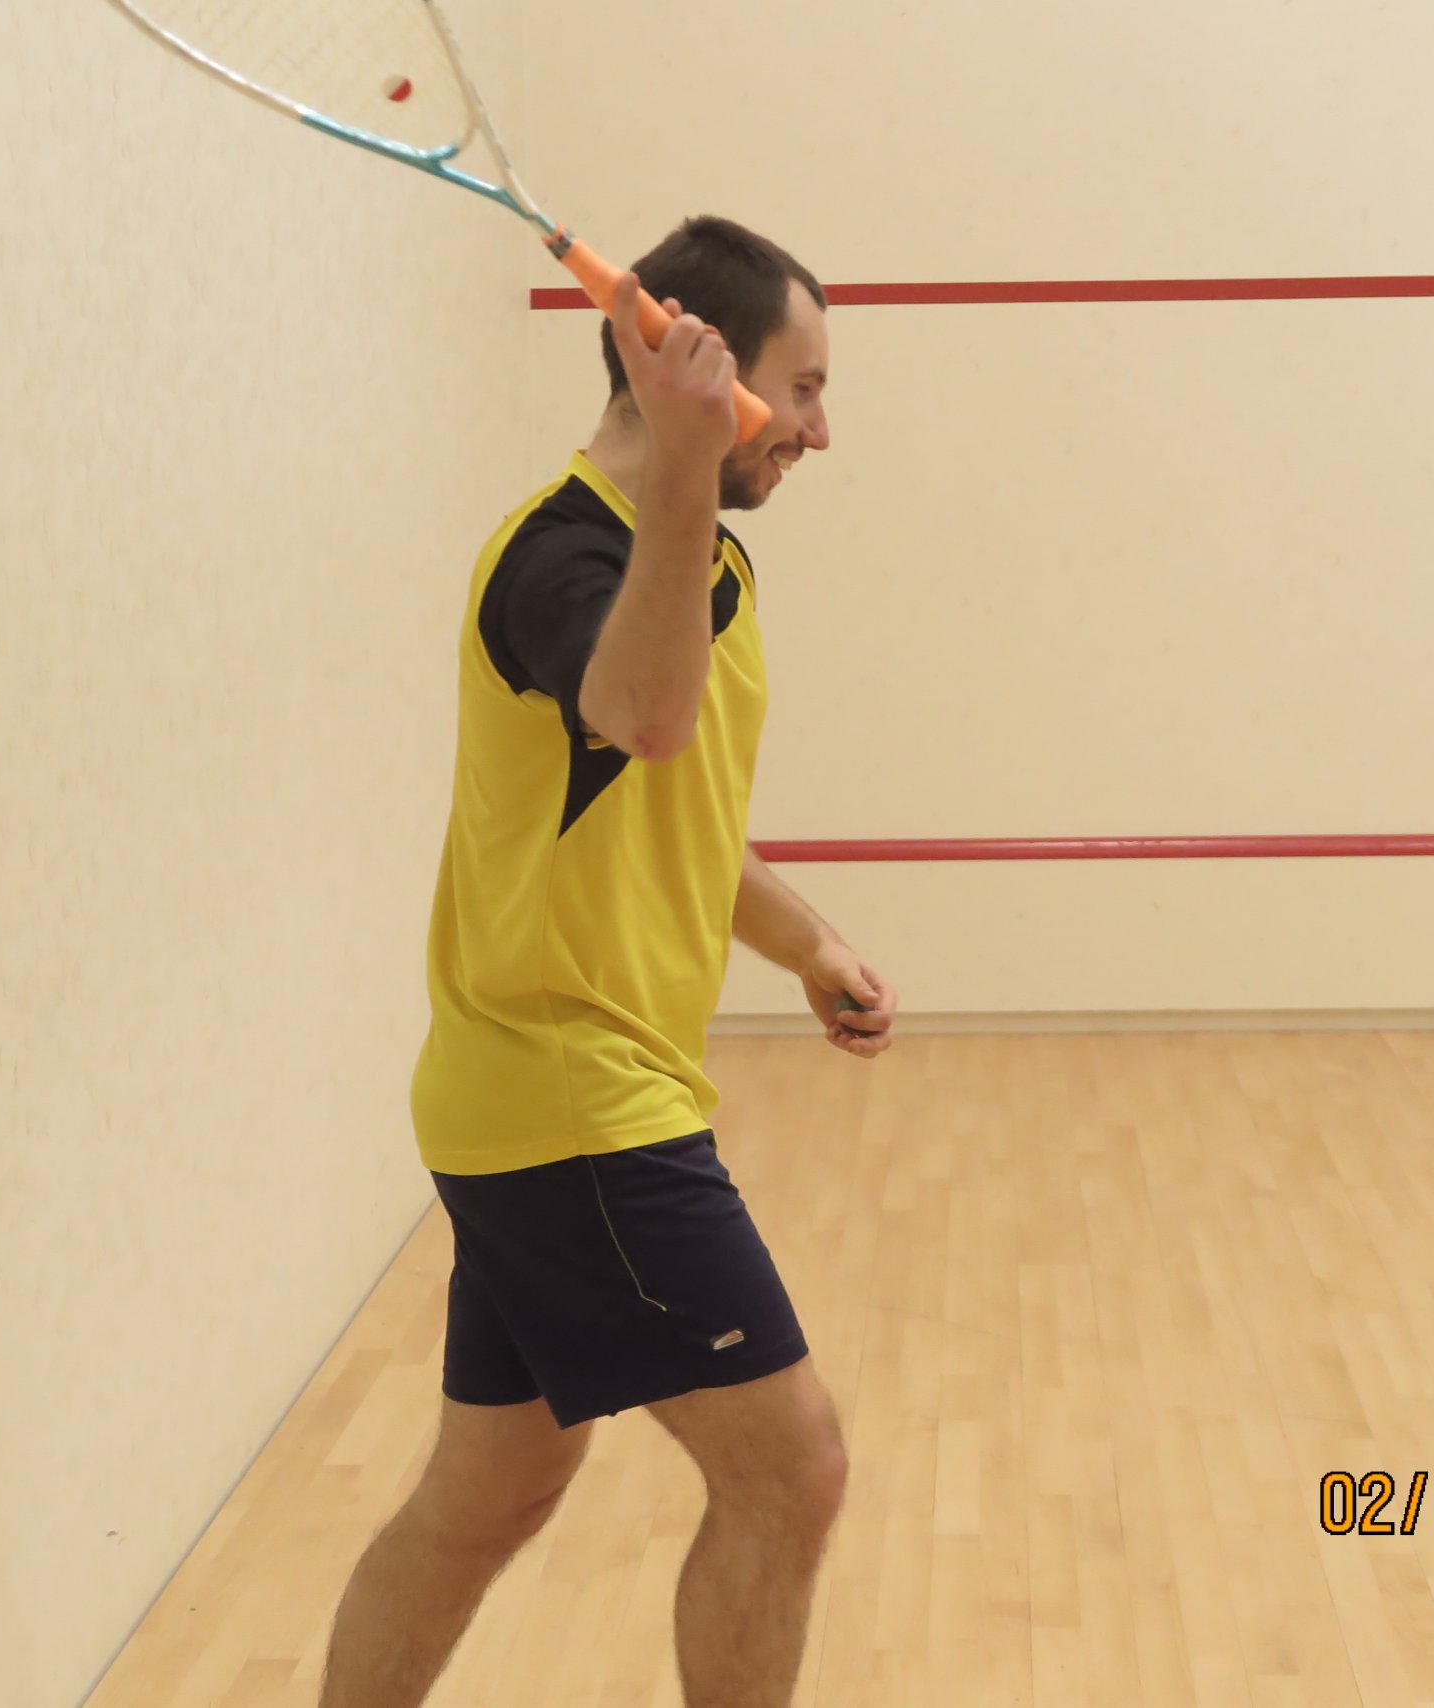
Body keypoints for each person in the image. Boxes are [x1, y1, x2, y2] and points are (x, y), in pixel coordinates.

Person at [319, 215, 898, 1708]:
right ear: (694, 374)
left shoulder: (706, 566)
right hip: (576, 1105)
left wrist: (807, 940)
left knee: (485, 1501)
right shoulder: (559, 559)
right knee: (794, 1471)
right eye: (801, 388)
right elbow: (640, 713)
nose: (821, 430)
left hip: (535, 1104)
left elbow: (666, 805)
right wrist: (689, 466)